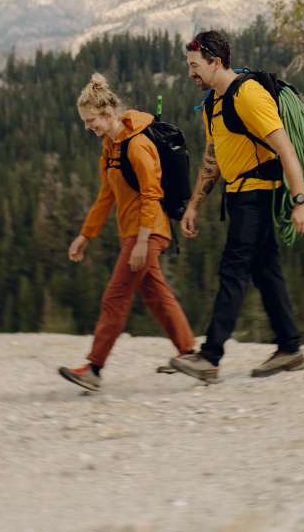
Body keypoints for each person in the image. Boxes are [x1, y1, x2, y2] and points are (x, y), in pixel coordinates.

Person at [167, 29, 304, 383]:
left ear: (216, 62)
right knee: (265, 271)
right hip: (237, 196)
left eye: (195, 65)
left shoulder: (248, 95)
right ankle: (290, 348)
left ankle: (210, 356)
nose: (190, 73)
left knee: (233, 270)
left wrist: (300, 201)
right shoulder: (213, 104)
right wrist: (194, 205)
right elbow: (213, 159)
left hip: (257, 196)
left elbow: (285, 149)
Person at [58, 73, 198, 392]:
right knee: (156, 294)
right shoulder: (111, 147)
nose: (87, 126)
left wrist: (143, 241)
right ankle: (189, 353)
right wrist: (85, 235)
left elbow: (152, 192)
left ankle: (93, 368)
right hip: (134, 234)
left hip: (147, 232)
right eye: (85, 121)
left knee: (115, 297)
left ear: (108, 113)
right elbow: (105, 195)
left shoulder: (137, 145)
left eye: (90, 120)